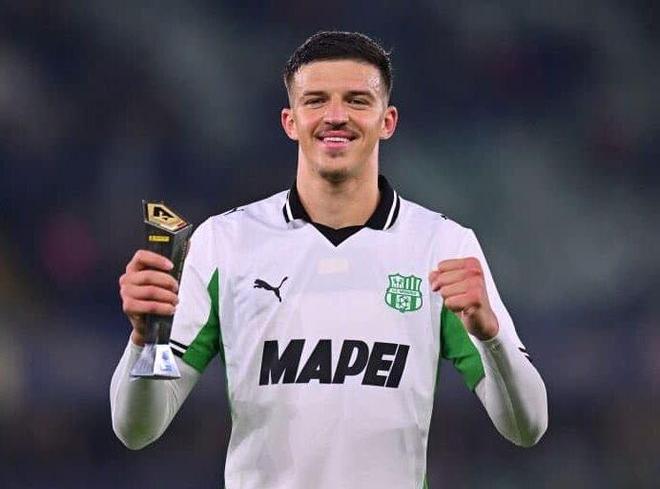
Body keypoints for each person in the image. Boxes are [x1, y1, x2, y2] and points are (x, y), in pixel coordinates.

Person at [111, 31, 548, 489]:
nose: (335, 116)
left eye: (357, 100)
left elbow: (528, 426)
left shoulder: (442, 247)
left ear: (387, 121)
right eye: (315, 100)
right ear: (290, 121)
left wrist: (490, 336)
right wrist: (146, 338)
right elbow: (137, 428)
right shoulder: (224, 243)